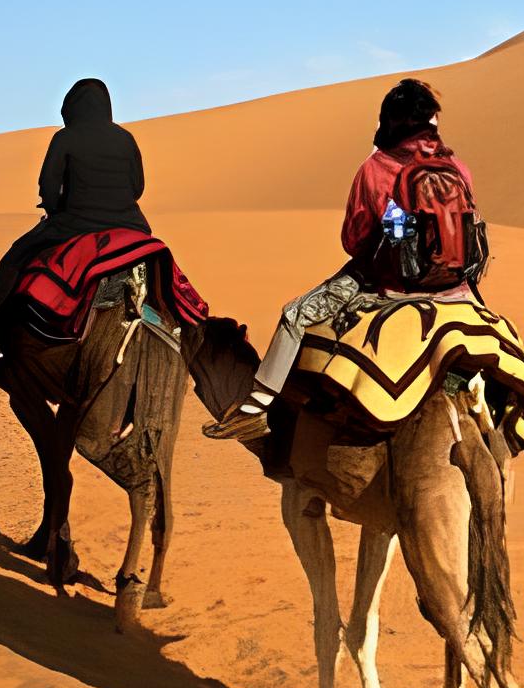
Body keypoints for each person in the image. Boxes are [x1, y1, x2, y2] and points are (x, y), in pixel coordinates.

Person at [205, 79, 479, 441]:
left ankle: (255, 408)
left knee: (294, 315)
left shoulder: (376, 167)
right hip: (457, 286)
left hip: (389, 283)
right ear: (432, 121)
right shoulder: (457, 168)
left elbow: (354, 240)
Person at [0, 78, 152, 323]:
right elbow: (137, 188)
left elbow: (49, 187)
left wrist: (54, 208)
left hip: (75, 224)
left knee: (16, 258)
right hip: (131, 227)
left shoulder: (65, 137)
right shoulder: (126, 138)